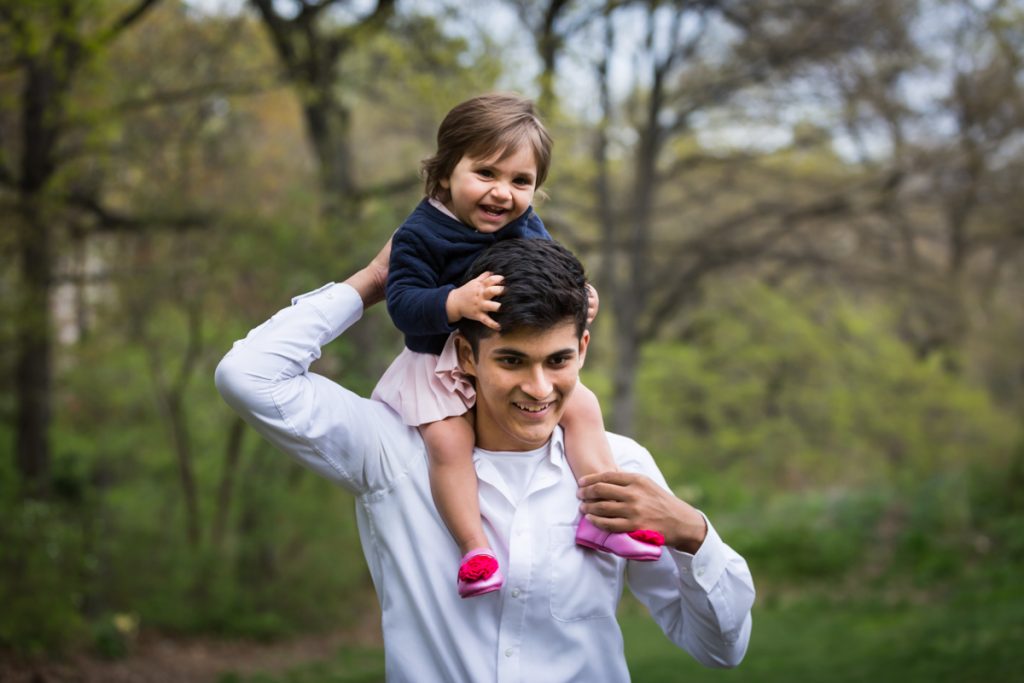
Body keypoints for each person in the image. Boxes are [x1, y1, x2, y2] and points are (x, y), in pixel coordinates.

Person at [215, 237, 755, 682]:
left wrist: (691, 533)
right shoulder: (394, 454)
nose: (539, 387)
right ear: (468, 355)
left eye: (559, 360)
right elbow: (250, 376)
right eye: (513, 360)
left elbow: (719, 648)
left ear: (583, 348)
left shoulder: (620, 465)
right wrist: (376, 280)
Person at [372, 93, 660, 599]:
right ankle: (475, 549)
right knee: (448, 443)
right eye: (486, 174)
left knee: (585, 408)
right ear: (444, 174)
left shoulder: (523, 226)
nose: (502, 193)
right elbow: (402, 305)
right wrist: (453, 302)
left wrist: (580, 297)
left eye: (520, 181)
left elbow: (553, 275)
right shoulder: (419, 234)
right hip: (437, 362)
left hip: (506, 360)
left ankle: (601, 518)